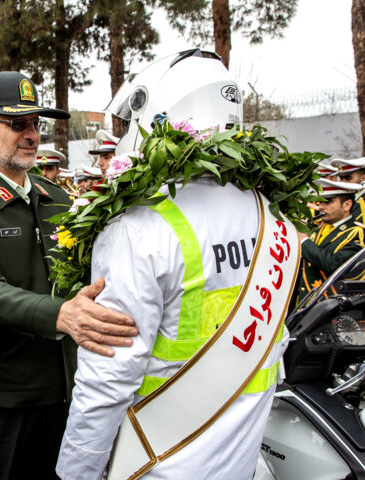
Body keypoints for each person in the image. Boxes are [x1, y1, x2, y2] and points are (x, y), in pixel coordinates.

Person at [57, 49, 288, 480]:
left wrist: (75, 472)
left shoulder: (140, 226)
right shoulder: (272, 216)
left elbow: (109, 376)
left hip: (159, 455)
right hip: (239, 457)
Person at [0, 71, 138, 480]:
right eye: (17, 123)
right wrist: (63, 316)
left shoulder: (57, 198)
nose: (30, 135)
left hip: (62, 395)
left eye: (35, 124)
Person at [294, 178, 365, 302]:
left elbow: (335, 265)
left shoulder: (357, 233)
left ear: (347, 205)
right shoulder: (317, 229)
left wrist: (304, 241)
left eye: (328, 202)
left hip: (331, 304)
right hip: (305, 302)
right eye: (320, 202)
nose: (320, 207)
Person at [330, 157, 365, 230]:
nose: (343, 182)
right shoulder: (335, 203)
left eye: (348, 178)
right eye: (341, 178)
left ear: (363, 178)